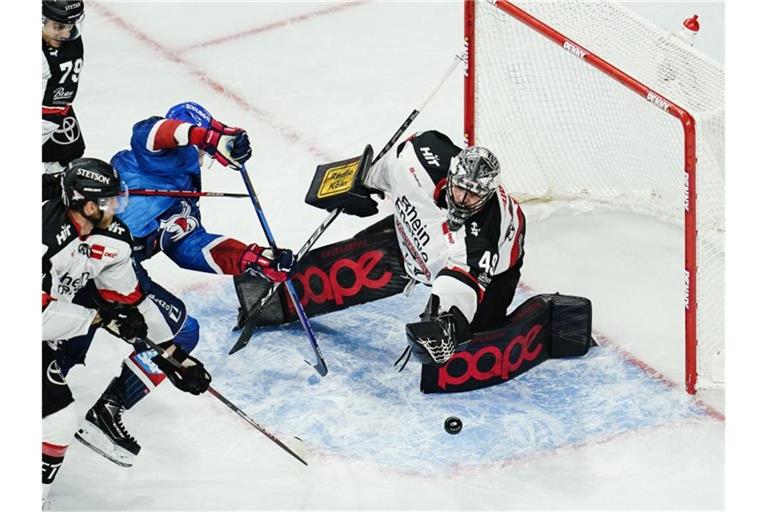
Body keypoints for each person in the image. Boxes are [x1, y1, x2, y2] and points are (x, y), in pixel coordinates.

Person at [43, 158, 212, 502]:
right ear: (88, 205)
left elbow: (129, 296)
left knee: (57, 418)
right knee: (55, 417)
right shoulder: (44, 240)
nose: (118, 206)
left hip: (51, 327)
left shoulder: (112, 236)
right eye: (109, 200)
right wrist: (97, 318)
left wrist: (173, 357)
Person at [340, 130, 526, 365]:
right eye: (459, 189)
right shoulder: (419, 156)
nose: (462, 199)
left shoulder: (483, 239)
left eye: (473, 196)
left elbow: (463, 282)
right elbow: (394, 163)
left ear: (486, 195)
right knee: (359, 249)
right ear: (451, 175)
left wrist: (445, 322)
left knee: (480, 330)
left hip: (498, 266)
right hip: (436, 229)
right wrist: (364, 181)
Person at [110, 101, 295, 279]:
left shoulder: (186, 193)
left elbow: (189, 246)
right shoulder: (143, 156)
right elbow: (148, 133)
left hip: (114, 267)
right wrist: (205, 136)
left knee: (173, 311)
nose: (202, 157)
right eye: (201, 149)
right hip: (89, 245)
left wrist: (248, 257)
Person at [42, 0, 87, 200]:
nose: (66, 34)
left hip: (60, 112)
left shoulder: (68, 39)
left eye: (71, 26)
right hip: (43, 117)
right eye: (59, 27)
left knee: (69, 161)